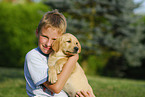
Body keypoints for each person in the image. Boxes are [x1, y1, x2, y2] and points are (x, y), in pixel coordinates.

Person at [24, 9, 93, 97]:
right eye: (45, 36)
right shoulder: (33, 56)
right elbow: (56, 88)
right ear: (37, 32)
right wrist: (73, 59)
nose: (48, 43)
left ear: (61, 39)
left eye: (54, 39)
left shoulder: (59, 56)